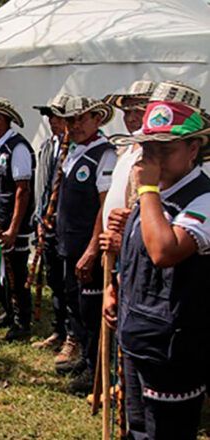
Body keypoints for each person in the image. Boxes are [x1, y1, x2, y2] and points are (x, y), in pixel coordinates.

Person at [105, 87, 210, 439]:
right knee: (137, 429)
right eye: (149, 149)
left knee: (166, 432)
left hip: (173, 351)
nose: (153, 159)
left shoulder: (204, 200)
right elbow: (140, 257)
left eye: (166, 149)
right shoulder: (154, 197)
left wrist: (146, 191)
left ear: (194, 149)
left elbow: (165, 251)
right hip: (137, 338)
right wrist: (113, 286)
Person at [52, 97, 117, 394]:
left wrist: (92, 250)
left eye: (81, 119)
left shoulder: (105, 155)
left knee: (91, 311)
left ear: (97, 119)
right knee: (75, 304)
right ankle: (86, 358)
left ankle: (97, 372)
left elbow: (104, 207)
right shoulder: (75, 151)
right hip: (68, 241)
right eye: (70, 120)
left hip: (86, 246)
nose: (74, 126)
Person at [0, 97, 35, 340]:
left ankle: (23, 321)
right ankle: (9, 313)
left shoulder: (18, 148)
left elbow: (22, 189)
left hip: (11, 226)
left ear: (0, 118)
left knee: (16, 275)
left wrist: (13, 228)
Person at [29, 93, 71, 353]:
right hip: (46, 224)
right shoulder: (47, 146)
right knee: (54, 280)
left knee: (69, 284)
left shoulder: (76, 150)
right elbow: (40, 186)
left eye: (57, 116)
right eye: (50, 117)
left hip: (67, 227)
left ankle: (72, 335)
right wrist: (39, 218)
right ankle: (59, 329)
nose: (52, 121)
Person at [101, 79, 157, 231]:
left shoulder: (156, 154)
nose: (131, 118)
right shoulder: (123, 150)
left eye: (139, 111)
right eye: (127, 112)